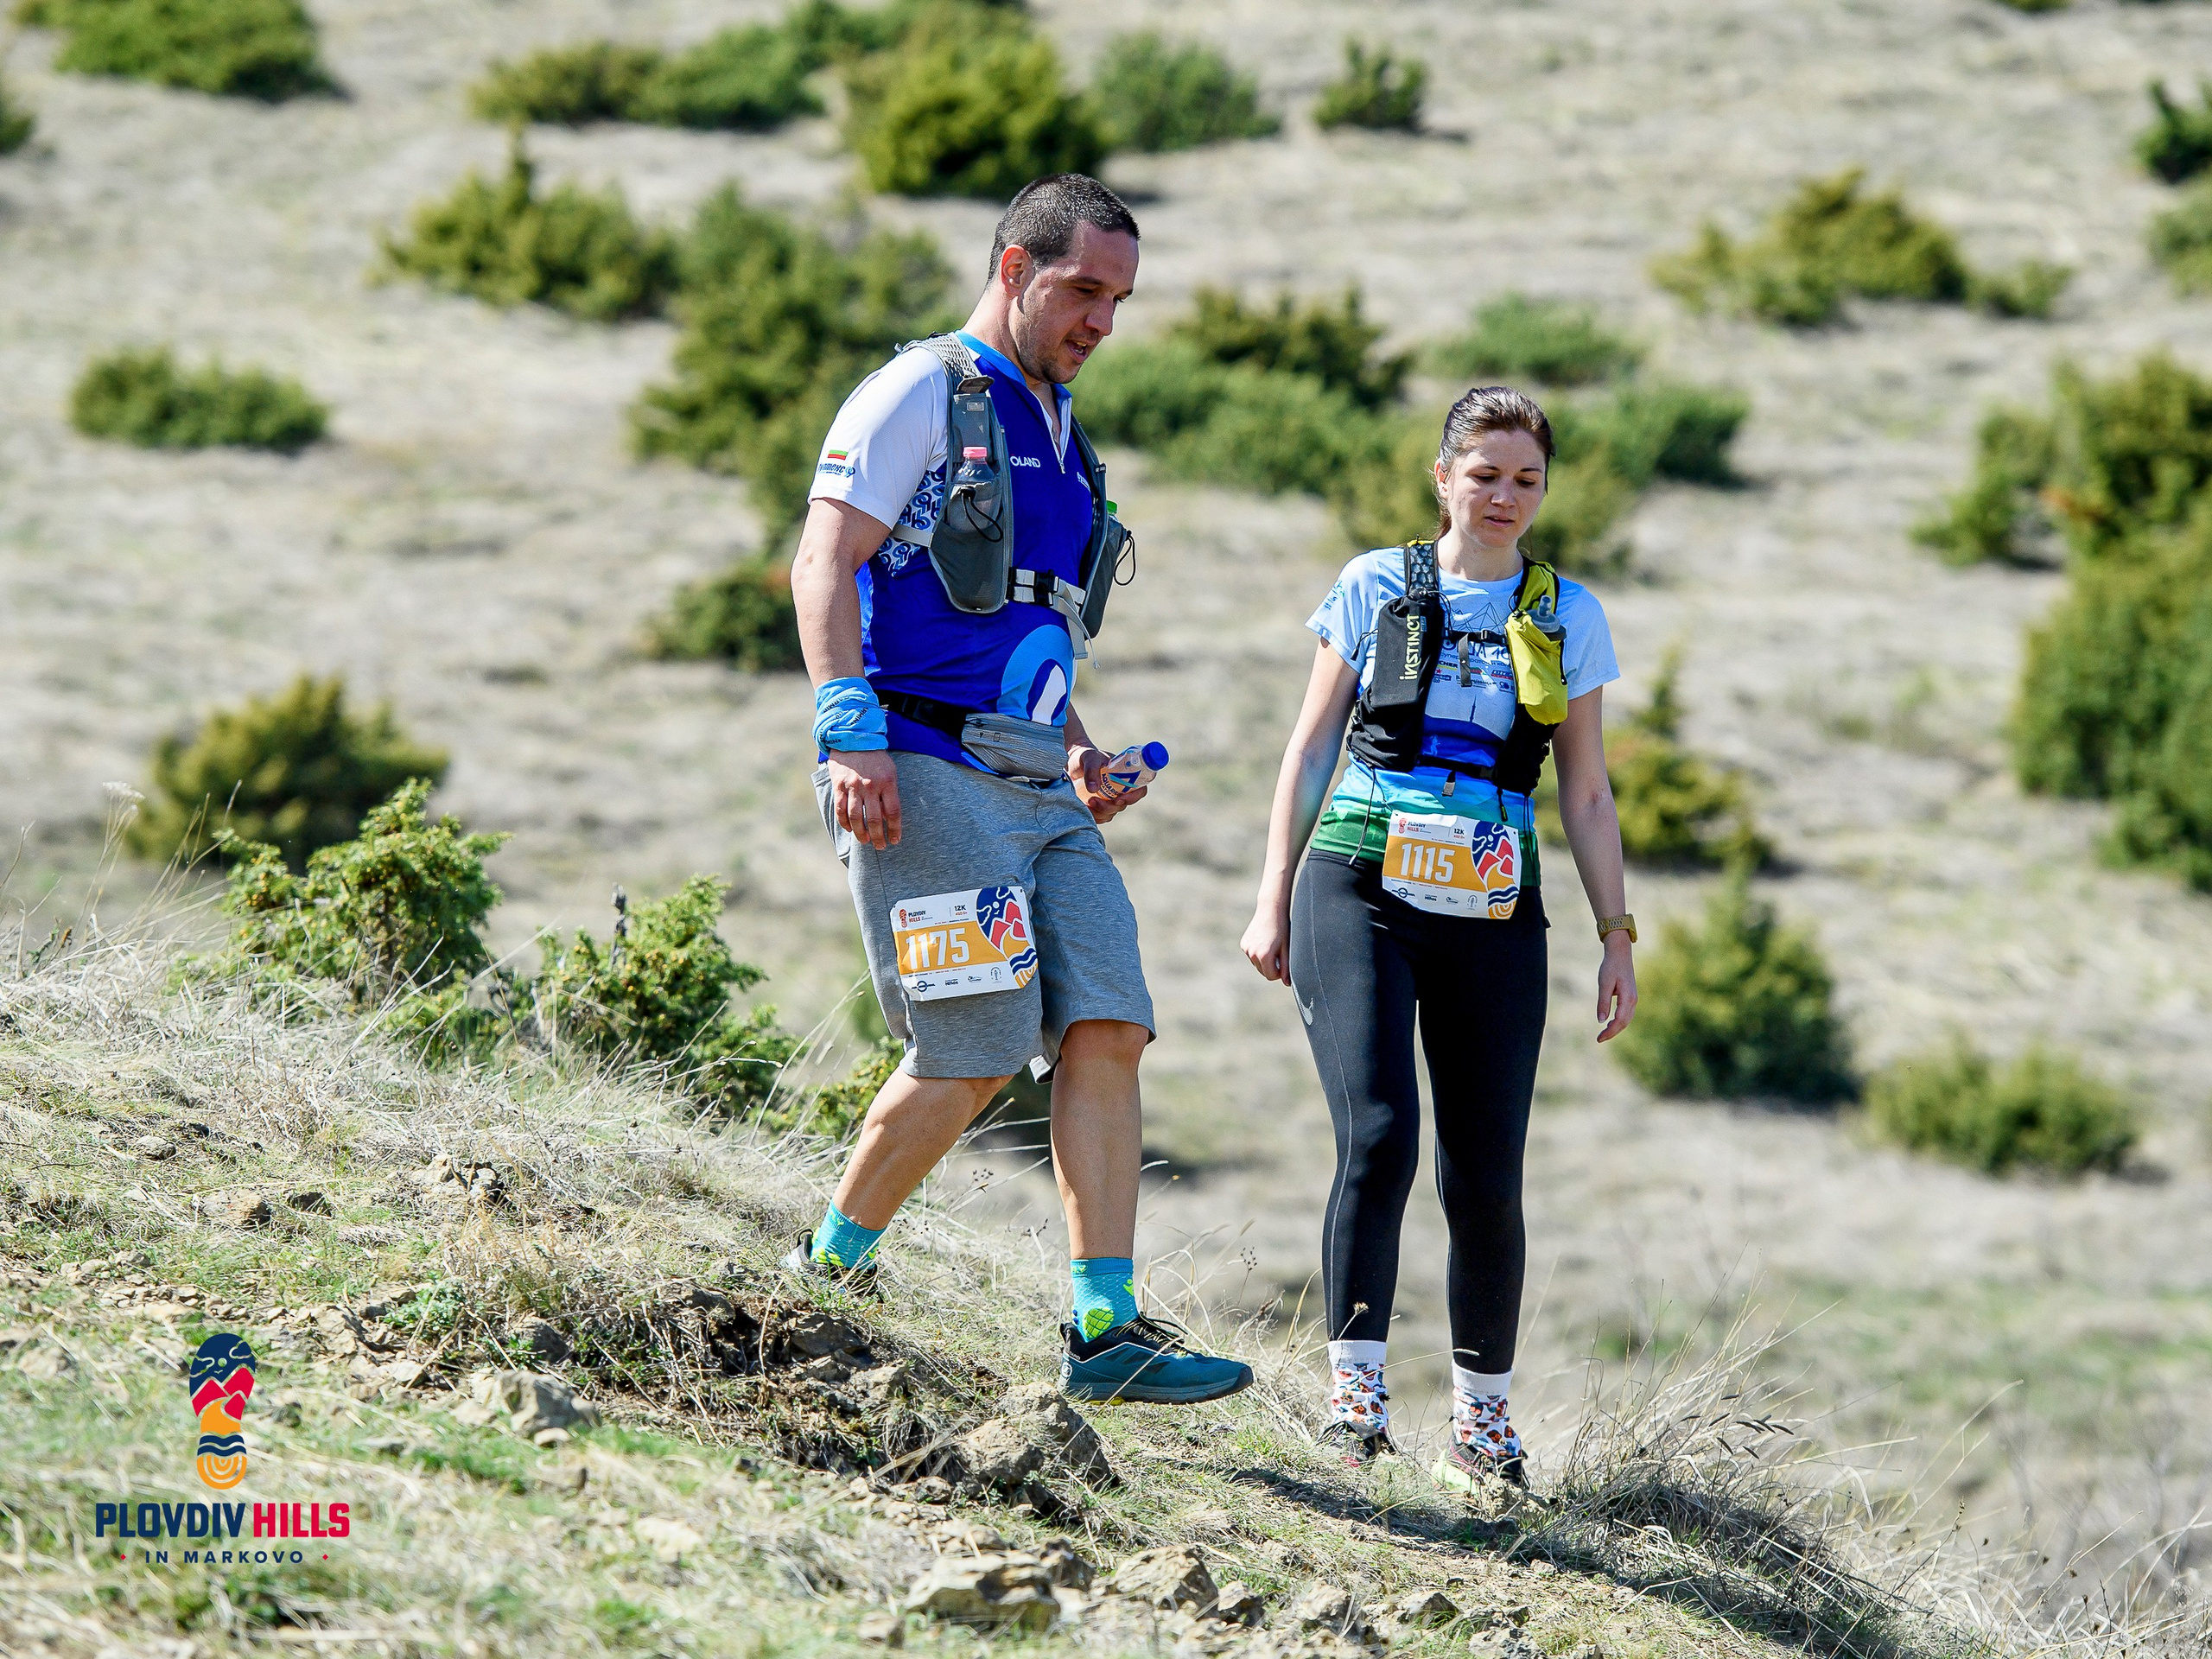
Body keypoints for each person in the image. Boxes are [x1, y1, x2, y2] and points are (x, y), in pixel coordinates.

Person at [789, 173, 1251, 1407]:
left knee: (1109, 1018)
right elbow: (823, 559)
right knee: (976, 1047)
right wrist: (850, 736)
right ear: (1014, 269)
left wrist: (1084, 750)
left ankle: (1105, 1331)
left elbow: (1030, 627)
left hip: (1040, 784)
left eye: (1122, 299)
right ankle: (825, 1276)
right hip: (923, 767)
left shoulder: (1063, 430)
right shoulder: (918, 391)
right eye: (1083, 290)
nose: (1103, 319)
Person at [1238, 386, 1638, 1487]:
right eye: (1484, 475)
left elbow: (1589, 794)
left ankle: (1483, 1423)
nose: (1504, 497)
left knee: (1486, 1175)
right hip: (1359, 885)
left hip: (1497, 907)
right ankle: (1355, 1402)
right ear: (1442, 478)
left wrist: (1617, 934)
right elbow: (1309, 750)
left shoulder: (1569, 613)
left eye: (1526, 479)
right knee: (1379, 1136)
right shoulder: (1374, 586)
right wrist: (1272, 894)